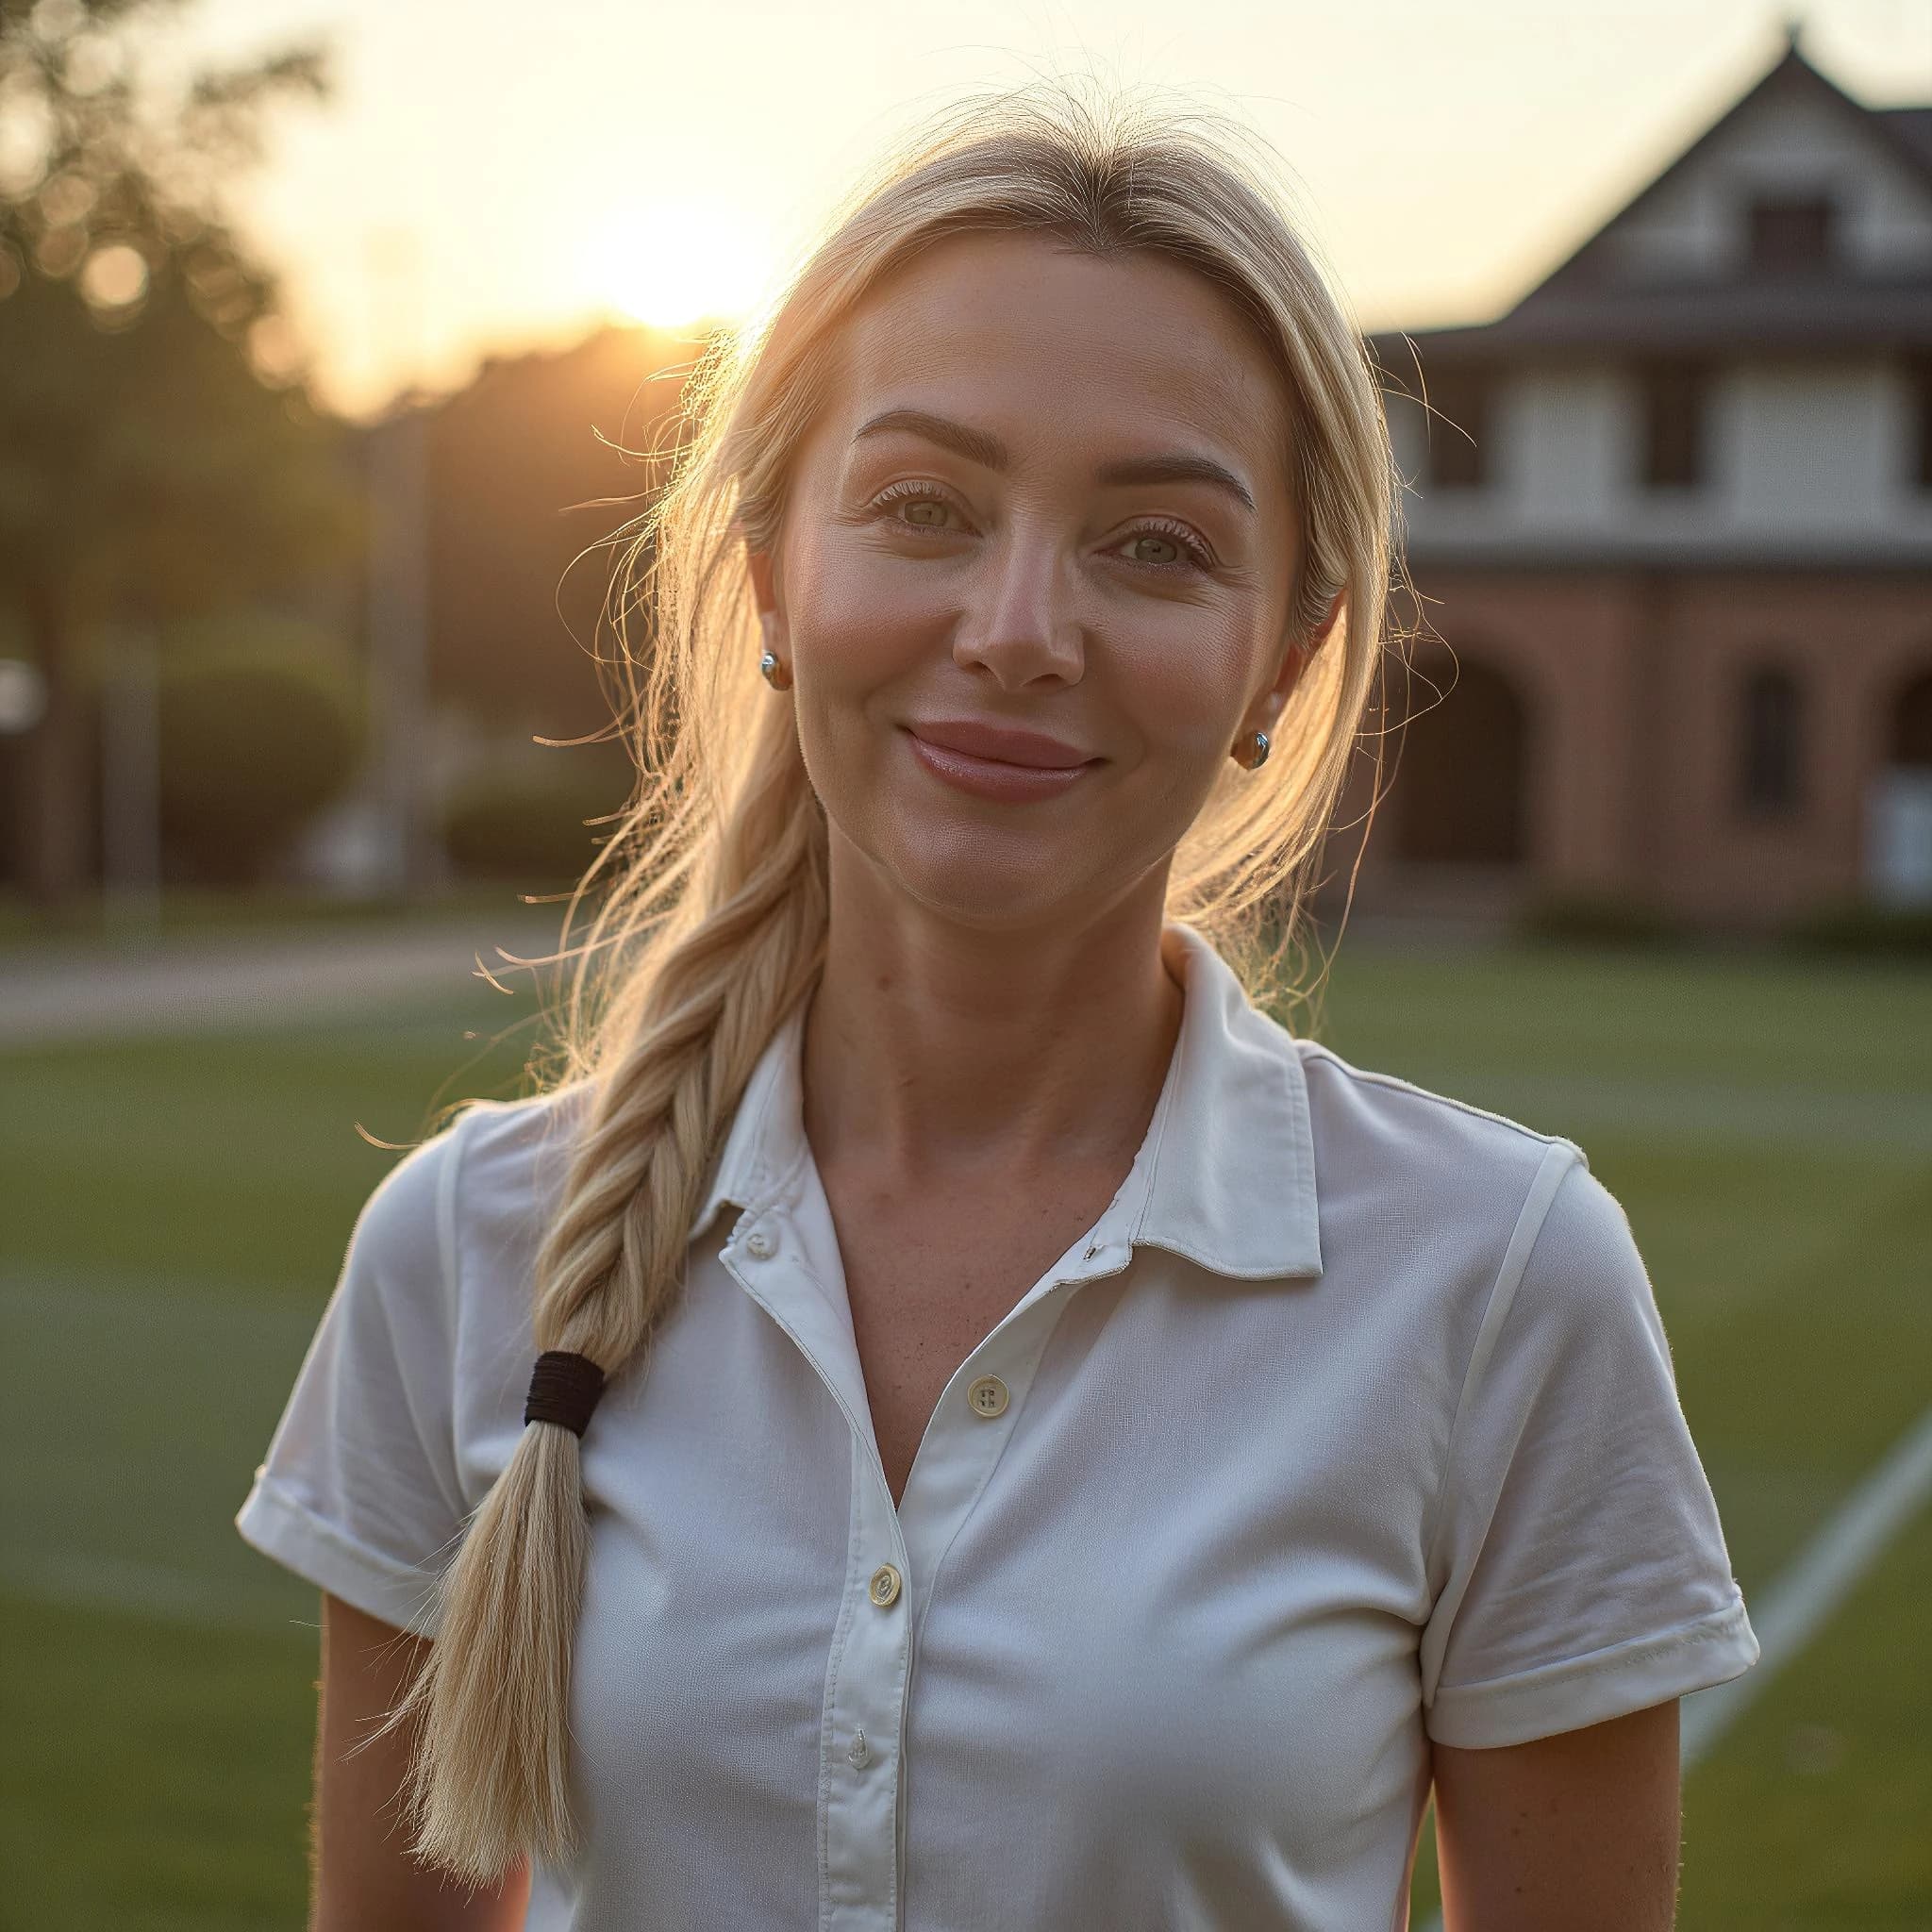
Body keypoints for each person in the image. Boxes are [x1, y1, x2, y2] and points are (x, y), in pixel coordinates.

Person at [235, 81, 1758, 1932]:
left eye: (1154, 544)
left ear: (1285, 652)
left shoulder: (1498, 1282)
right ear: (773, 573)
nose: (1019, 624)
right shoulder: (463, 1253)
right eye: (925, 508)